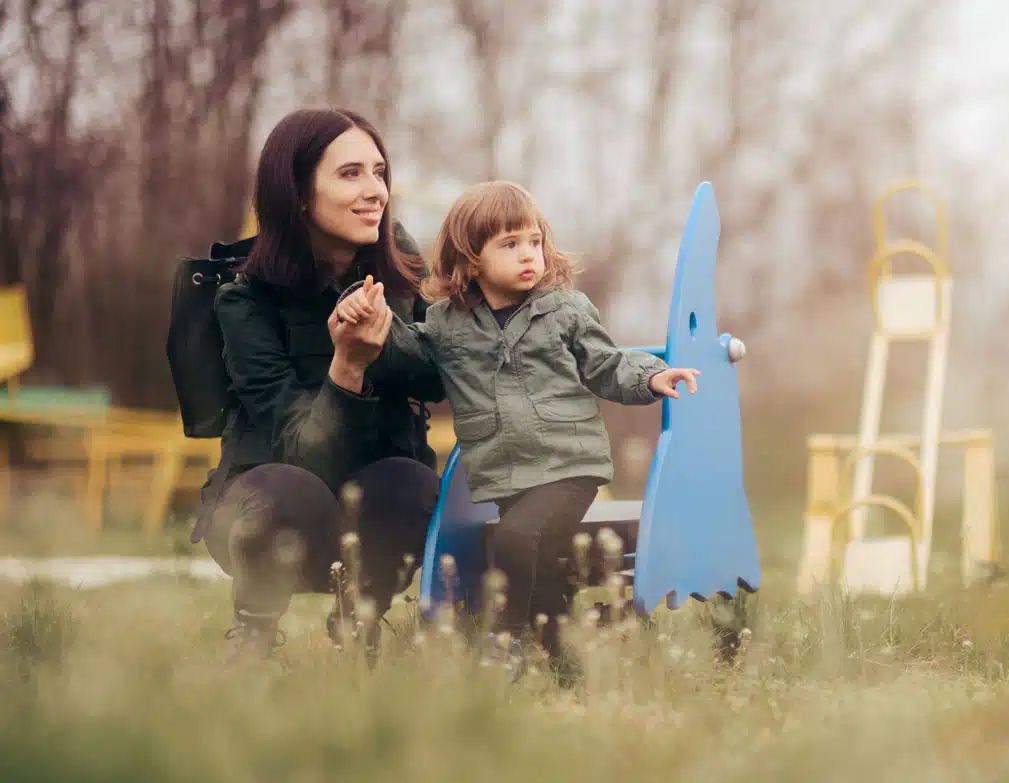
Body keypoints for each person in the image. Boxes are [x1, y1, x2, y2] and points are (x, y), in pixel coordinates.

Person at [334, 180, 699, 682]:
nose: (529, 255)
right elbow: (404, 357)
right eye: (510, 244)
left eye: (534, 241)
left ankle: (504, 645)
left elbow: (606, 364)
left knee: (514, 540)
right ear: (471, 258)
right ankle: (568, 660)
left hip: (569, 465)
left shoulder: (566, 310)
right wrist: (366, 314)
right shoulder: (446, 324)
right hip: (504, 473)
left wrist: (651, 377)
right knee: (544, 568)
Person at [197, 107, 445, 663]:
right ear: (300, 194)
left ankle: (361, 626)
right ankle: (252, 634)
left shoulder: (400, 272)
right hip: (265, 509)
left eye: (379, 172)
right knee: (291, 489)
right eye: (350, 174)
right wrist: (347, 366)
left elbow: (440, 376)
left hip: (371, 507)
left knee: (411, 482)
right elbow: (300, 450)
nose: (375, 191)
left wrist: (392, 341)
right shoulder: (244, 300)